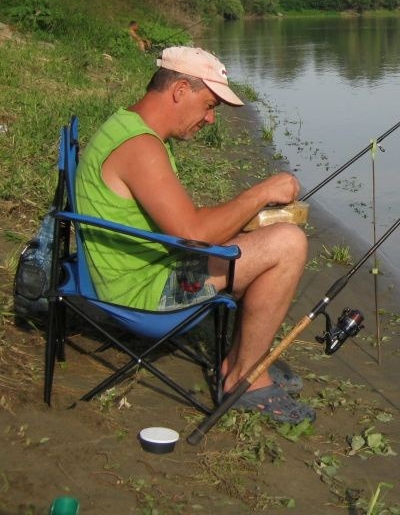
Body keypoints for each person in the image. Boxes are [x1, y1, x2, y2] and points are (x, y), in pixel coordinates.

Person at [75, 46, 313, 424]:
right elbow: (192, 233)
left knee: (269, 232)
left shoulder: (129, 128)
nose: (210, 118)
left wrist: (248, 216)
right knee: (289, 244)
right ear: (180, 90)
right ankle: (243, 378)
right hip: (140, 292)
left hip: (144, 267)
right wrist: (262, 192)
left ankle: (242, 358)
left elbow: (187, 225)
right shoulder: (140, 147)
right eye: (209, 105)